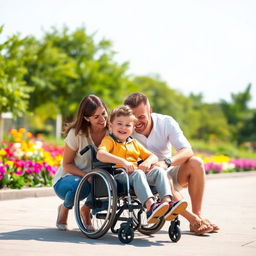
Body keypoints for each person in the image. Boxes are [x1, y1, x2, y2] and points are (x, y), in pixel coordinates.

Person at [124, 92, 219, 234]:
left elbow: (187, 150)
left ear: (150, 111)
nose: (137, 122)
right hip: (143, 178)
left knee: (196, 162)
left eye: (142, 116)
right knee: (162, 175)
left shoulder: (166, 122)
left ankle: (197, 215)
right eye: (133, 117)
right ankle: (195, 221)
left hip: (166, 169)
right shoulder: (125, 128)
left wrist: (166, 162)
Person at [96, 105, 187, 224]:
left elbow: (153, 156)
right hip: (118, 176)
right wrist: (122, 161)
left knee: (159, 170)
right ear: (110, 125)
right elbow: (100, 155)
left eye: (128, 125)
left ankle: (167, 203)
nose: (123, 127)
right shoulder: (109, 140)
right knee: (138, 173)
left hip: (136, 175)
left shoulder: (133, 143)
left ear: (133, 128)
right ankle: (150, 207)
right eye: (119, 124)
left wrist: (147, 162)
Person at [52, 94, 109, 231]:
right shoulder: (76, 134)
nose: (102, 119)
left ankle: (86, 209)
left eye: (103, 113)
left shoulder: (112, 131)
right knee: (80, 184)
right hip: (68, 180)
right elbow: (67, 164)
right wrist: (86, 175)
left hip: (96, 179)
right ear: (86, 118)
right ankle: (64, 209)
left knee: (112, 187)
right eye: (96, 117)